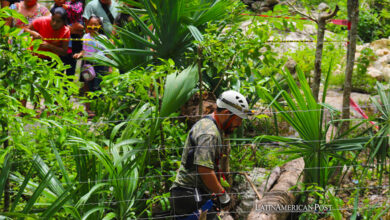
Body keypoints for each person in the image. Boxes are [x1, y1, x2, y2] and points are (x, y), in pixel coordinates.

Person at [170, 90, 253, 219]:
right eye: (238, 120)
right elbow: (204, 170)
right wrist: (222, 194)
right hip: (190, 194)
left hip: (193, 192)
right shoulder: (209, 133)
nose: (239, 124)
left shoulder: (211, 126)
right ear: (226, 113)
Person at [73, 15, 108, 116]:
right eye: (90, 24)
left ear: (100, 26)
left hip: (99, 64)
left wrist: (109, 67)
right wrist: (79, 54)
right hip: (87, 64)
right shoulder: (85, 37)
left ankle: (97, 109)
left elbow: (107, 53)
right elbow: (85, 50)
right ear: (87, 25)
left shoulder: (103, 38)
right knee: (87, 85)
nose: (93, 27)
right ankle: (87, 109)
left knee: (97, 86)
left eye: (95, 25)